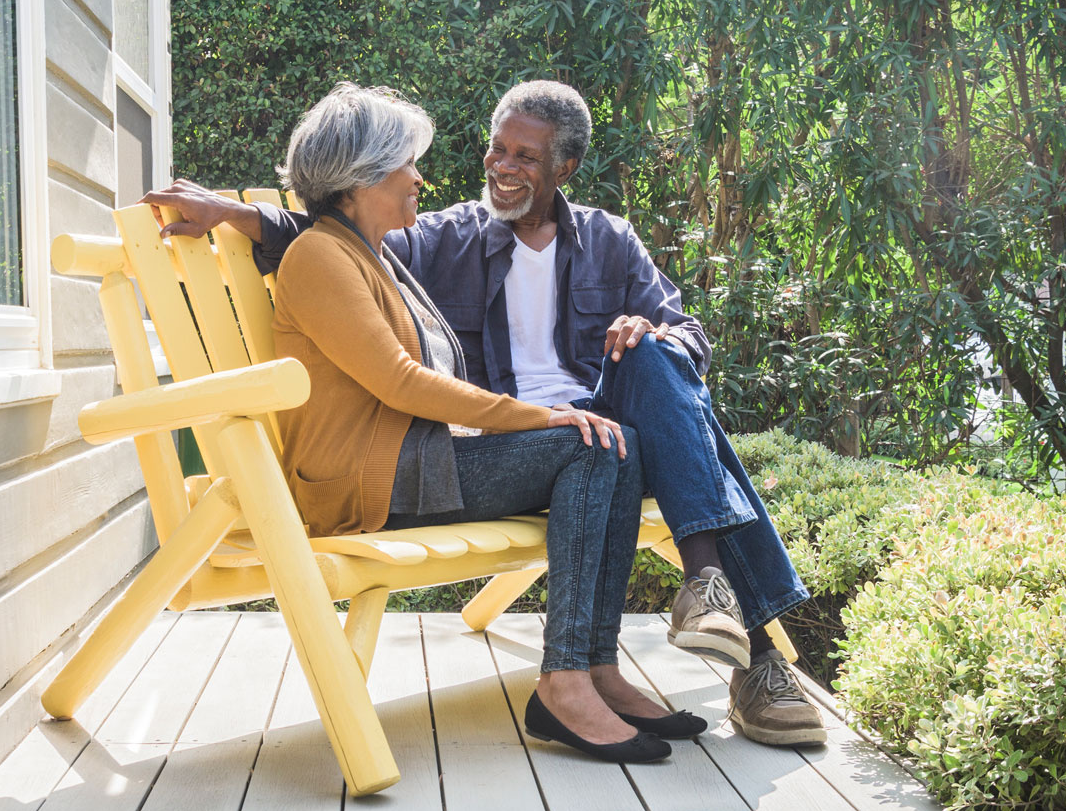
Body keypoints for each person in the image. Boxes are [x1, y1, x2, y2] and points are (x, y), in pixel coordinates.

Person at [144, 81, 826, 747]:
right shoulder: (429, 242)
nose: (497, 166)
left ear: (567, 166)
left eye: (525, 156)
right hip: (450, 451)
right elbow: (338, 253)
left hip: (563, 421)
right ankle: (713, 653)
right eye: (495, 149)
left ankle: (637, 635)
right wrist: (234, 213)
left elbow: (689, 337)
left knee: (654, 365)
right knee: (607, 441)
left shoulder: (609, 242)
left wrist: (651, 337)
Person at [264, 83, 705, 764]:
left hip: (414, 465)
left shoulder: (374, 254)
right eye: (406, 164)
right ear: (359, 179)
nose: (421, 177)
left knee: (615, 443)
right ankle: (564, 680)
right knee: (588, 445)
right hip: (369, 486)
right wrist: (539, 417)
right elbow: (401, 383)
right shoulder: (323, 257)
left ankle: (593, 667)